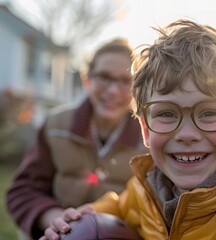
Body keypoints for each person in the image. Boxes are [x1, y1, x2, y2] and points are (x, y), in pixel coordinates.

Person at [40, 19, 216, 240]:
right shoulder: (146, 189)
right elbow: (121, 207)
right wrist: (77, 221)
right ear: (145, 129)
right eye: (166, 113)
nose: (187, 134)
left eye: (209, 112)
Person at [6, 38, 147, 240]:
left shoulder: (150, 139)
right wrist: (57, 219)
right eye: (104, 77)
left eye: (126, 81)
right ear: (87, 80)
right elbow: (23, 190)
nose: (113, 90)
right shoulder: (55, 126)